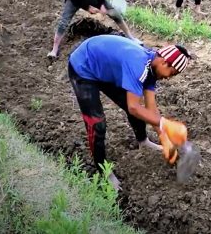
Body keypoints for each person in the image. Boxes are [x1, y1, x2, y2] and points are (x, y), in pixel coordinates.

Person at [68, 34, 191, 190]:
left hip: (103, 67)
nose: (169, 78)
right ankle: (103, 171)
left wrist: (164, 138)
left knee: (138, 107)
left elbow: (151, 109)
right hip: (83, 67)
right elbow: (134, 107)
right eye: (172, 73)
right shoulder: (139, 65)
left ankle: (143, 141)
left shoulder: (152, 70)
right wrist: (166, 124)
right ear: (164, 62)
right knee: (97, 123)